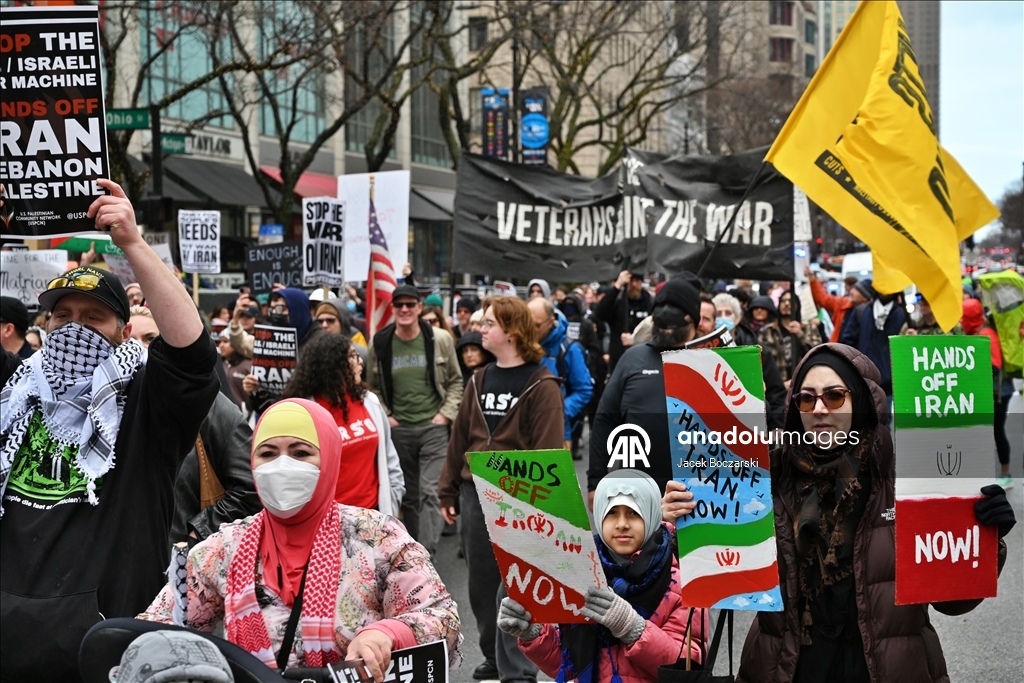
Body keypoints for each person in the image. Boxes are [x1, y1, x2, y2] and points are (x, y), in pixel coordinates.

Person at [663, 343, 1012, 683]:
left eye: (834, 396)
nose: (819, 408)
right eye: (806, 398)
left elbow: (951, 602)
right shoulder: (763, 477)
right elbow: (719, 571)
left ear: (860, 401)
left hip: (888, 668)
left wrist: (983, 539)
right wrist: (684, 524)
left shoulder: (907, 480)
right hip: (786, 668)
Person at [0, 179, 219, 682]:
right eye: (63, 317)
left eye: (93, 318)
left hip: (101, 651)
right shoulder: (14, 392)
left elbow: (192, 357)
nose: (75, 328)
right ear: (44, 327)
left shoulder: (145, 403)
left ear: (123, 331)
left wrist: (133, 245)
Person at [140, 399, 462, 674]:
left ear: (330, 458)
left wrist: (387, 634)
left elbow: (441, 619)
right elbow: (162, 628)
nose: (282, 466)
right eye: (267, 453)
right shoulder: (224, 549)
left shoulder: (376, 537)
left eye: (300, 452)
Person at [438, 296, 564, 683]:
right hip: (475, 494)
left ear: (511, 332)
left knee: (518, 584)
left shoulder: (542, 384)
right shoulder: (478, 378)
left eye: (489, 323)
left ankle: (518, 670)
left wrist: (541, 508)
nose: (481, 330)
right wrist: (447, 490)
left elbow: (548, 454)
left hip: (520, 497)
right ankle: (494, 654)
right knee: (480, 584)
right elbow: (459, 438)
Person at [500, 470, 708, 682]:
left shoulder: (684, 582)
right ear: (599, 515)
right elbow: (568, 665)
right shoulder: (580, 573)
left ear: (653, 513)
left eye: (634, 513)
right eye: (612, 513)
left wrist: (632, 627)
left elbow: (688, 668)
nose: (622, 524)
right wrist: (532, 632)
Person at [368, 285, 463, 557]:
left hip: (433, 427)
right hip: (400, 430)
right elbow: (372, 386)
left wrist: (445, 414)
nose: (405, 310)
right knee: (408, 494)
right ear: (394, 309)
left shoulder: (439, 338)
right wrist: (386, 414)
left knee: (430, 491)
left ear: (420, 308)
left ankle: (428, 553)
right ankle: (411, 549)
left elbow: (457, 380)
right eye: (400, 305)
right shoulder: (381, 341)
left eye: (411, 304)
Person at [588, 274, 700, 501]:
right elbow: (604, 420)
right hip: (640, 492)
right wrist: (595, 481)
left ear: (693, 319)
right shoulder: (633, 359)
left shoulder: (712, 360)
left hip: (703, 492)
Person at [283, 334, 404, 516]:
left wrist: (391, 501)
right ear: (331, 364)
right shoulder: (306, 413)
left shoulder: (370, 402)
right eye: (352, 356)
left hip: (373, 516)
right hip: (327, 520)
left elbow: (389, 458)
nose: (360, 362)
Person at [528, 297, 593, 455]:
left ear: (551, 322)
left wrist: (558, 411)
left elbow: (584, 390)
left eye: (536, 325)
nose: (529, 329)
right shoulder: (520, 344)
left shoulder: (569, 349)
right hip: (524, 430)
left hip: (556, 432)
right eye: (526, 322)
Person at [963, 299, 1016, 490]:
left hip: (998, 392)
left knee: (996, 431)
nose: (961, 322)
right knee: (989, 430)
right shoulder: (979, 331)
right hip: (992, 391)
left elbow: (995, 365)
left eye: (964, 317)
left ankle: (1006, 474)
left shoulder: (986, 333)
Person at [839, 292, 907, 399]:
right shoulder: (862, 311)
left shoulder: (902, 315)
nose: (885, 292)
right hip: (862, 379)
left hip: (889, 383)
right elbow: (847, 342)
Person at [594, 270, 653, 371]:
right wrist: (617, 286)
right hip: (620, 360)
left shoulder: (650, 303)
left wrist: (636, 339)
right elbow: (600, 314)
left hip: (645, 359)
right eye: (631, 281)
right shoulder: (618, 302)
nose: (634, 285)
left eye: (637, 281)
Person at [805, 266, 873, 343]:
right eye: (854, 288)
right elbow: (823, 299)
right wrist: (812, 278)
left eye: (857, 290)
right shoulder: (843, 303)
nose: (851, 292)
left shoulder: (870, 314)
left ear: (865, 297)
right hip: (838, 348)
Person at [217, 330, 252, 409]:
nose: (221, 345)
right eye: (220, 341)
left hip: (243, 415)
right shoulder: (218, 364)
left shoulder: (248, 365)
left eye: (225, 342)